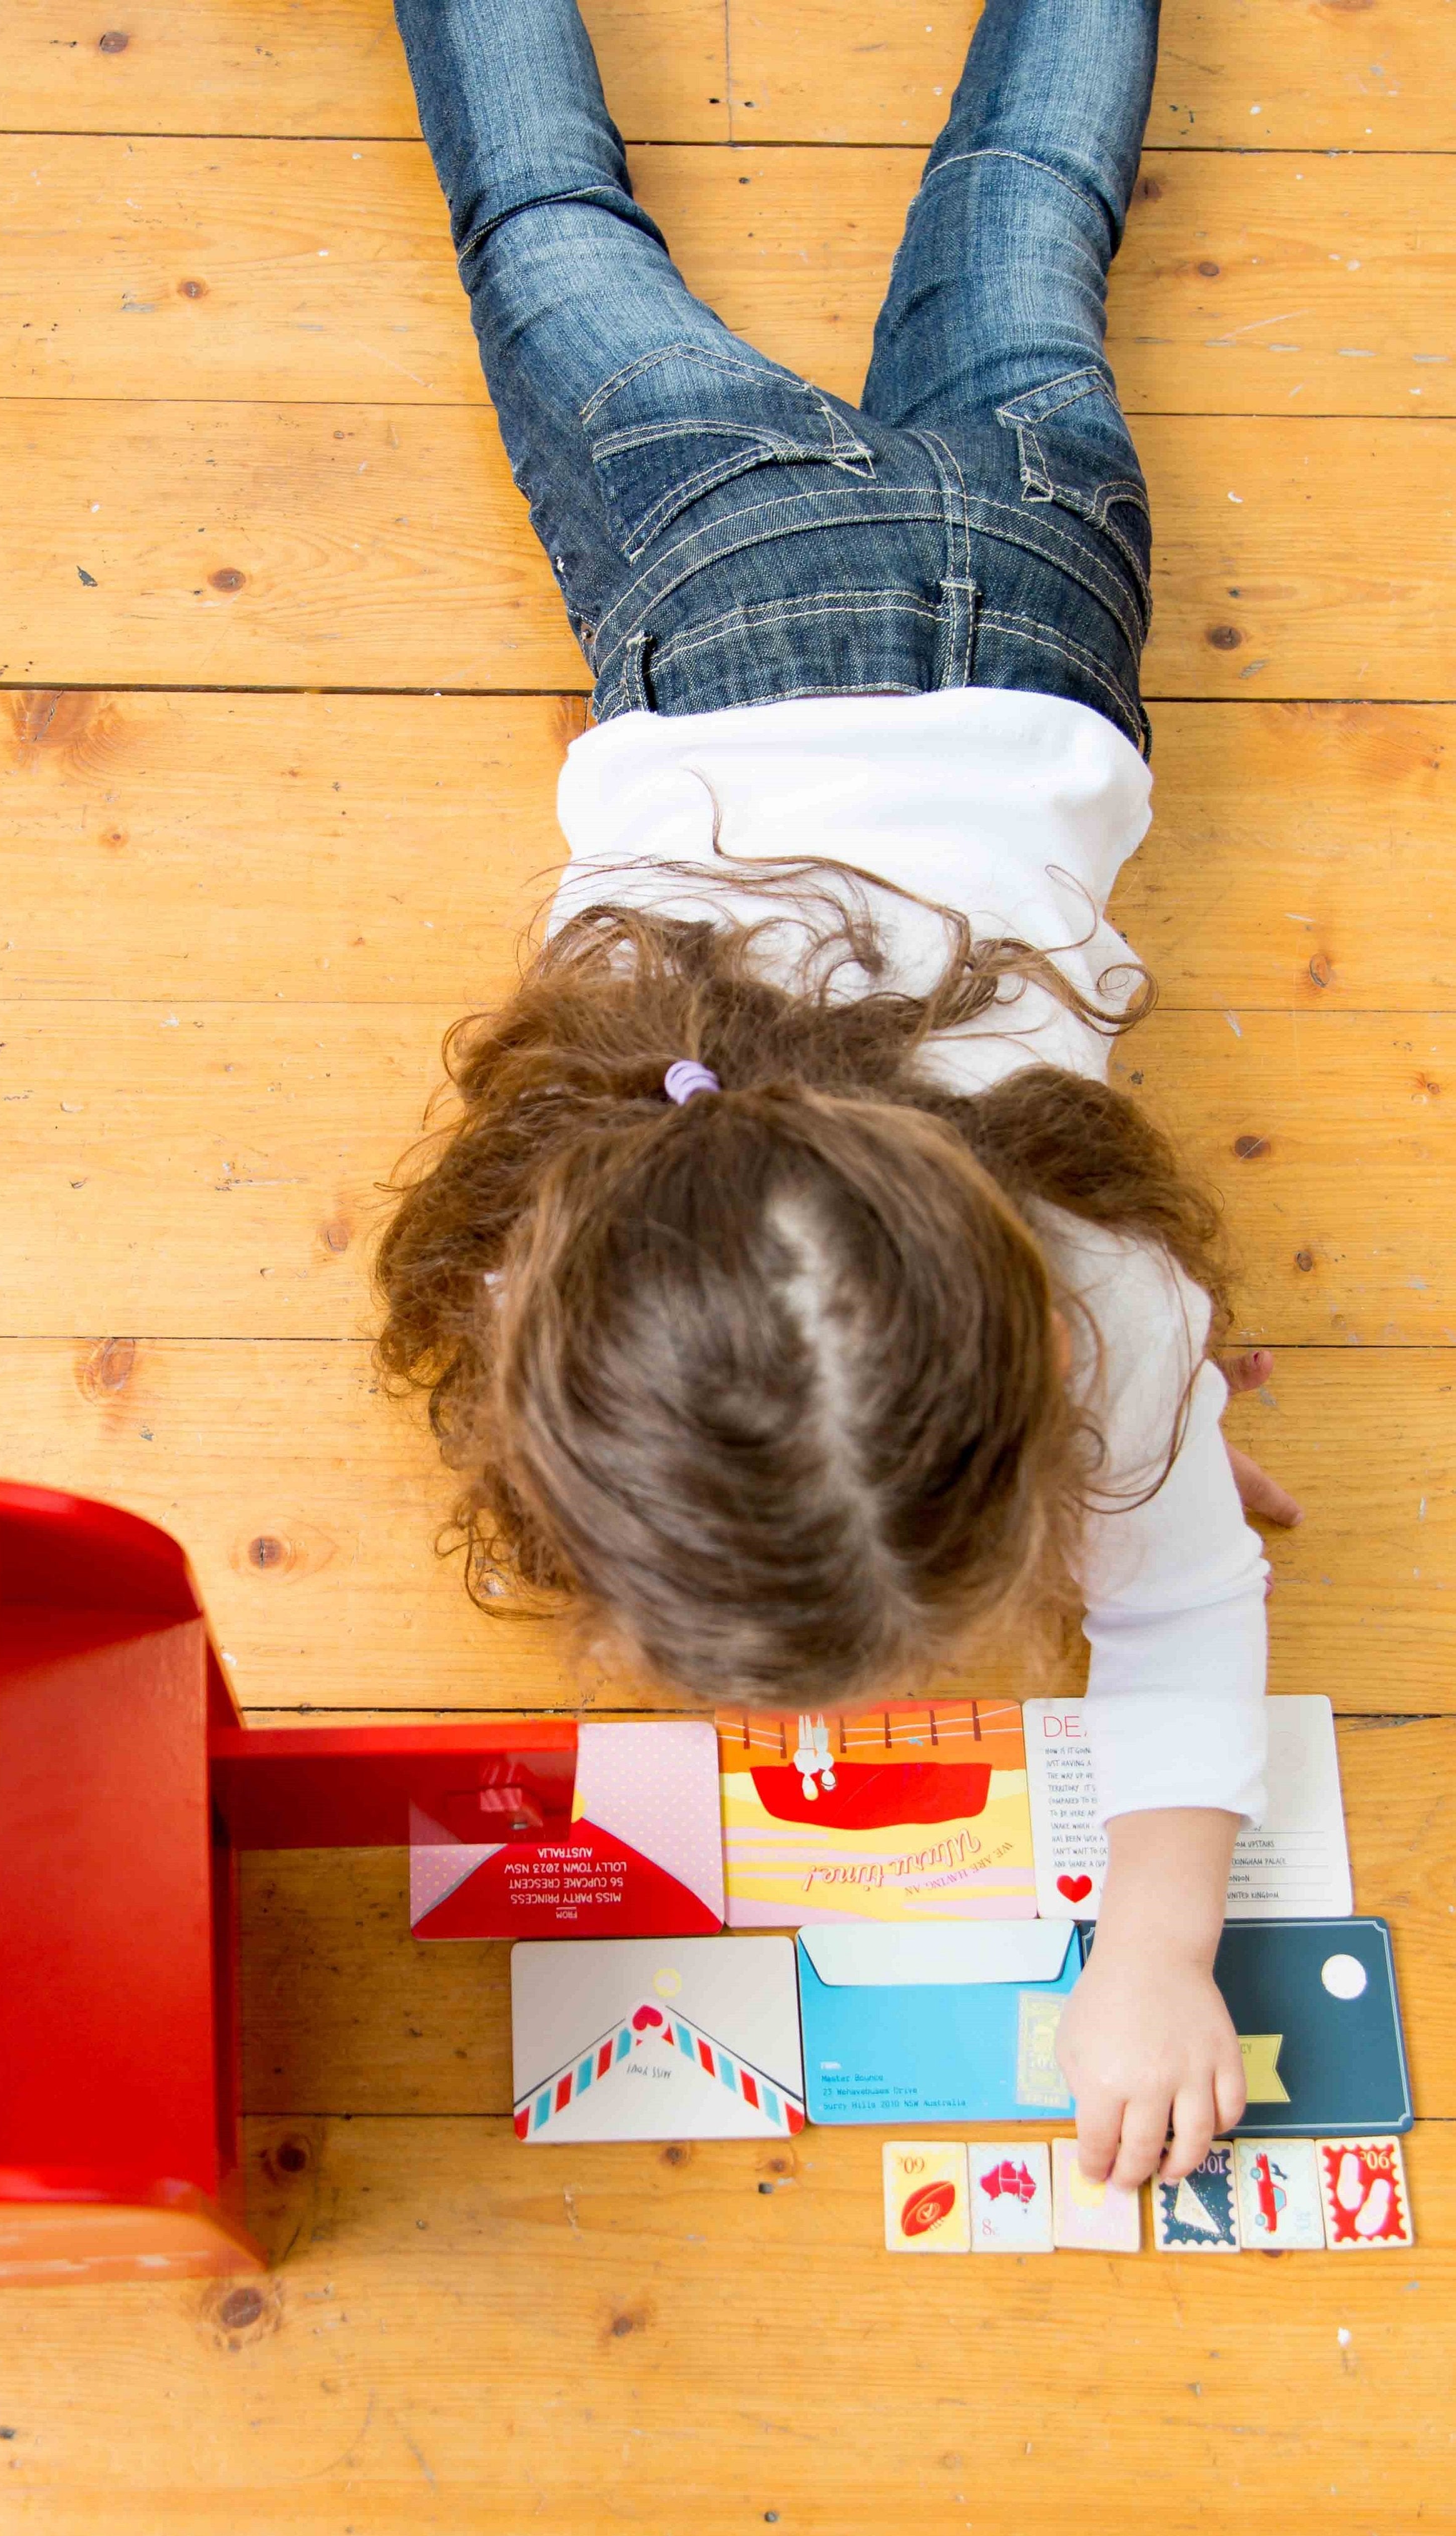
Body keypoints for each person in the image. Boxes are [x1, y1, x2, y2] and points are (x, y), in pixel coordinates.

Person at [377, 0, 1301, 2191]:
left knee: (1028, 231)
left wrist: (1156, 1444)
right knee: (542, 221)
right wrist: (1159, 1943)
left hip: (1050, 581)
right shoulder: (608, 1107)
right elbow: (1176, 1603)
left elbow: (1181, 1588)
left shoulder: (1117, 1300)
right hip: (726, 573)